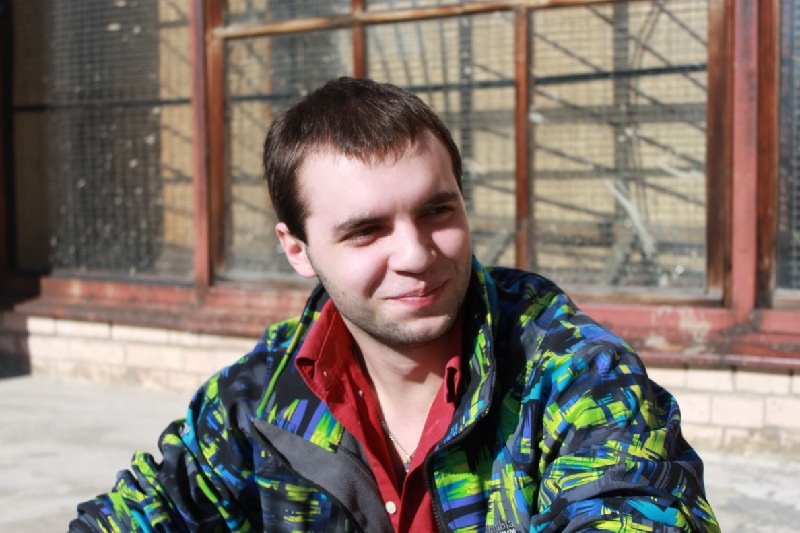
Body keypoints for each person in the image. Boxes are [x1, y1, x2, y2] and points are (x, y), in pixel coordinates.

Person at [70, 77, 719, 532]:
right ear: (297, 250)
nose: (415, 253)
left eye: (437, 211)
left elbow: (637, 507)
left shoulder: (574, 374)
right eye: (366, 230)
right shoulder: (259, 399)